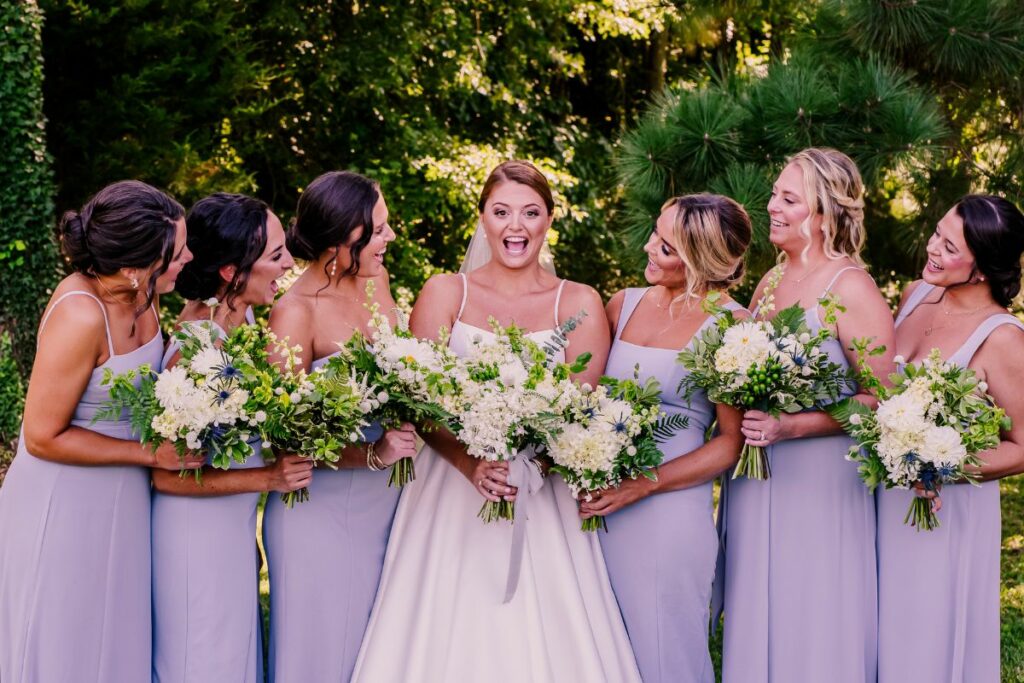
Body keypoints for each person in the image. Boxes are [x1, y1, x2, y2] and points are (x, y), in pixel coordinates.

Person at [352, 160, 641, 682]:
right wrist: (471, 463)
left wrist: (533, 464)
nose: (516, 227)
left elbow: (581, 407)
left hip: (541, 493)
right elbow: (419, 401)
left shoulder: (578, 301)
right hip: (451, 489)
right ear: (482, 217)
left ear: (549, 220)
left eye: (530, 213)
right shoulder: (445, 292)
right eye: (502, 212)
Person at [0, 180, 203, 682]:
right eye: (176, 252)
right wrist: (151, 454)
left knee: (114, 635)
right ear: (134, 267)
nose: (188, 257)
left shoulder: (145, 295)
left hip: (124, 500)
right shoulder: (80, 314)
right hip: (64, 502)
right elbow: (42, 436)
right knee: (64, 635)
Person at [722, 148, 896, 682]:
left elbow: (882, 400)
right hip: (758, 476)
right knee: (759, 599)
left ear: (823, 214)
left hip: (821, 481)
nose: (771, 205)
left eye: (788, 198)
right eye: (775, 193)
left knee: (815, 608)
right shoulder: (771, 280)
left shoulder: (851, 287)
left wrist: (794, 425)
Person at [580, 193, 749, 682]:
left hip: (668, 510)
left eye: (668, 247)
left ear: (702, 261)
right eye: (657, 233)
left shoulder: (731, 326)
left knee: (664, 649)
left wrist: (644, 483)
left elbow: (730, 442)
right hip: (596, 504)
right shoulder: (621, 304)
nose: (651, 247)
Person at [263, 171, 418, 683]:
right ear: (339, 240)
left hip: (391, 503)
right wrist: (373, 455)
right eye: (377, 230)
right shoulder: (293, 312)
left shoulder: (377, 283)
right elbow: (285, 438)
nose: (389, 238)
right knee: (323, 652)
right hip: (321, 510)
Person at [150, 192, 310, 682]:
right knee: (202, 661)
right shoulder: (198, 343)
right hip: (194, 535)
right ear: (230, 271)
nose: (288, 264)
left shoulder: (246, 321)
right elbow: (166, 476)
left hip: (232, 528)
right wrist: (269, 477)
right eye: (276, 255)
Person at [877, 195, 1024, 683]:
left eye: (949, 246)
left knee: (924, 635)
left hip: (944, 510)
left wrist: (938, 467)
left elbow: (1022, 445)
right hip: (882, 494)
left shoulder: (1003, 338)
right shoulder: (915, 293)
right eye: (937, 233)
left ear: (982, 268)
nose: (932, 248)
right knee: (878, 628)